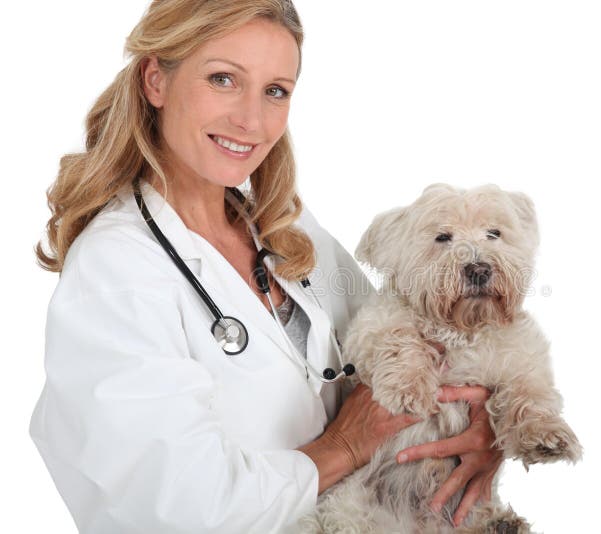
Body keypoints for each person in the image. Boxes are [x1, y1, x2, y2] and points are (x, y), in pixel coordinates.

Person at [29, 1, 502, 532]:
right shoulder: (113, 272)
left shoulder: (287, 228)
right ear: (155, 80)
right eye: (223, 79)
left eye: (275, 90)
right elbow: (177, 508)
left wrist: (482, 427)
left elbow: (412, 340)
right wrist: (342, 446)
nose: (252, 120)